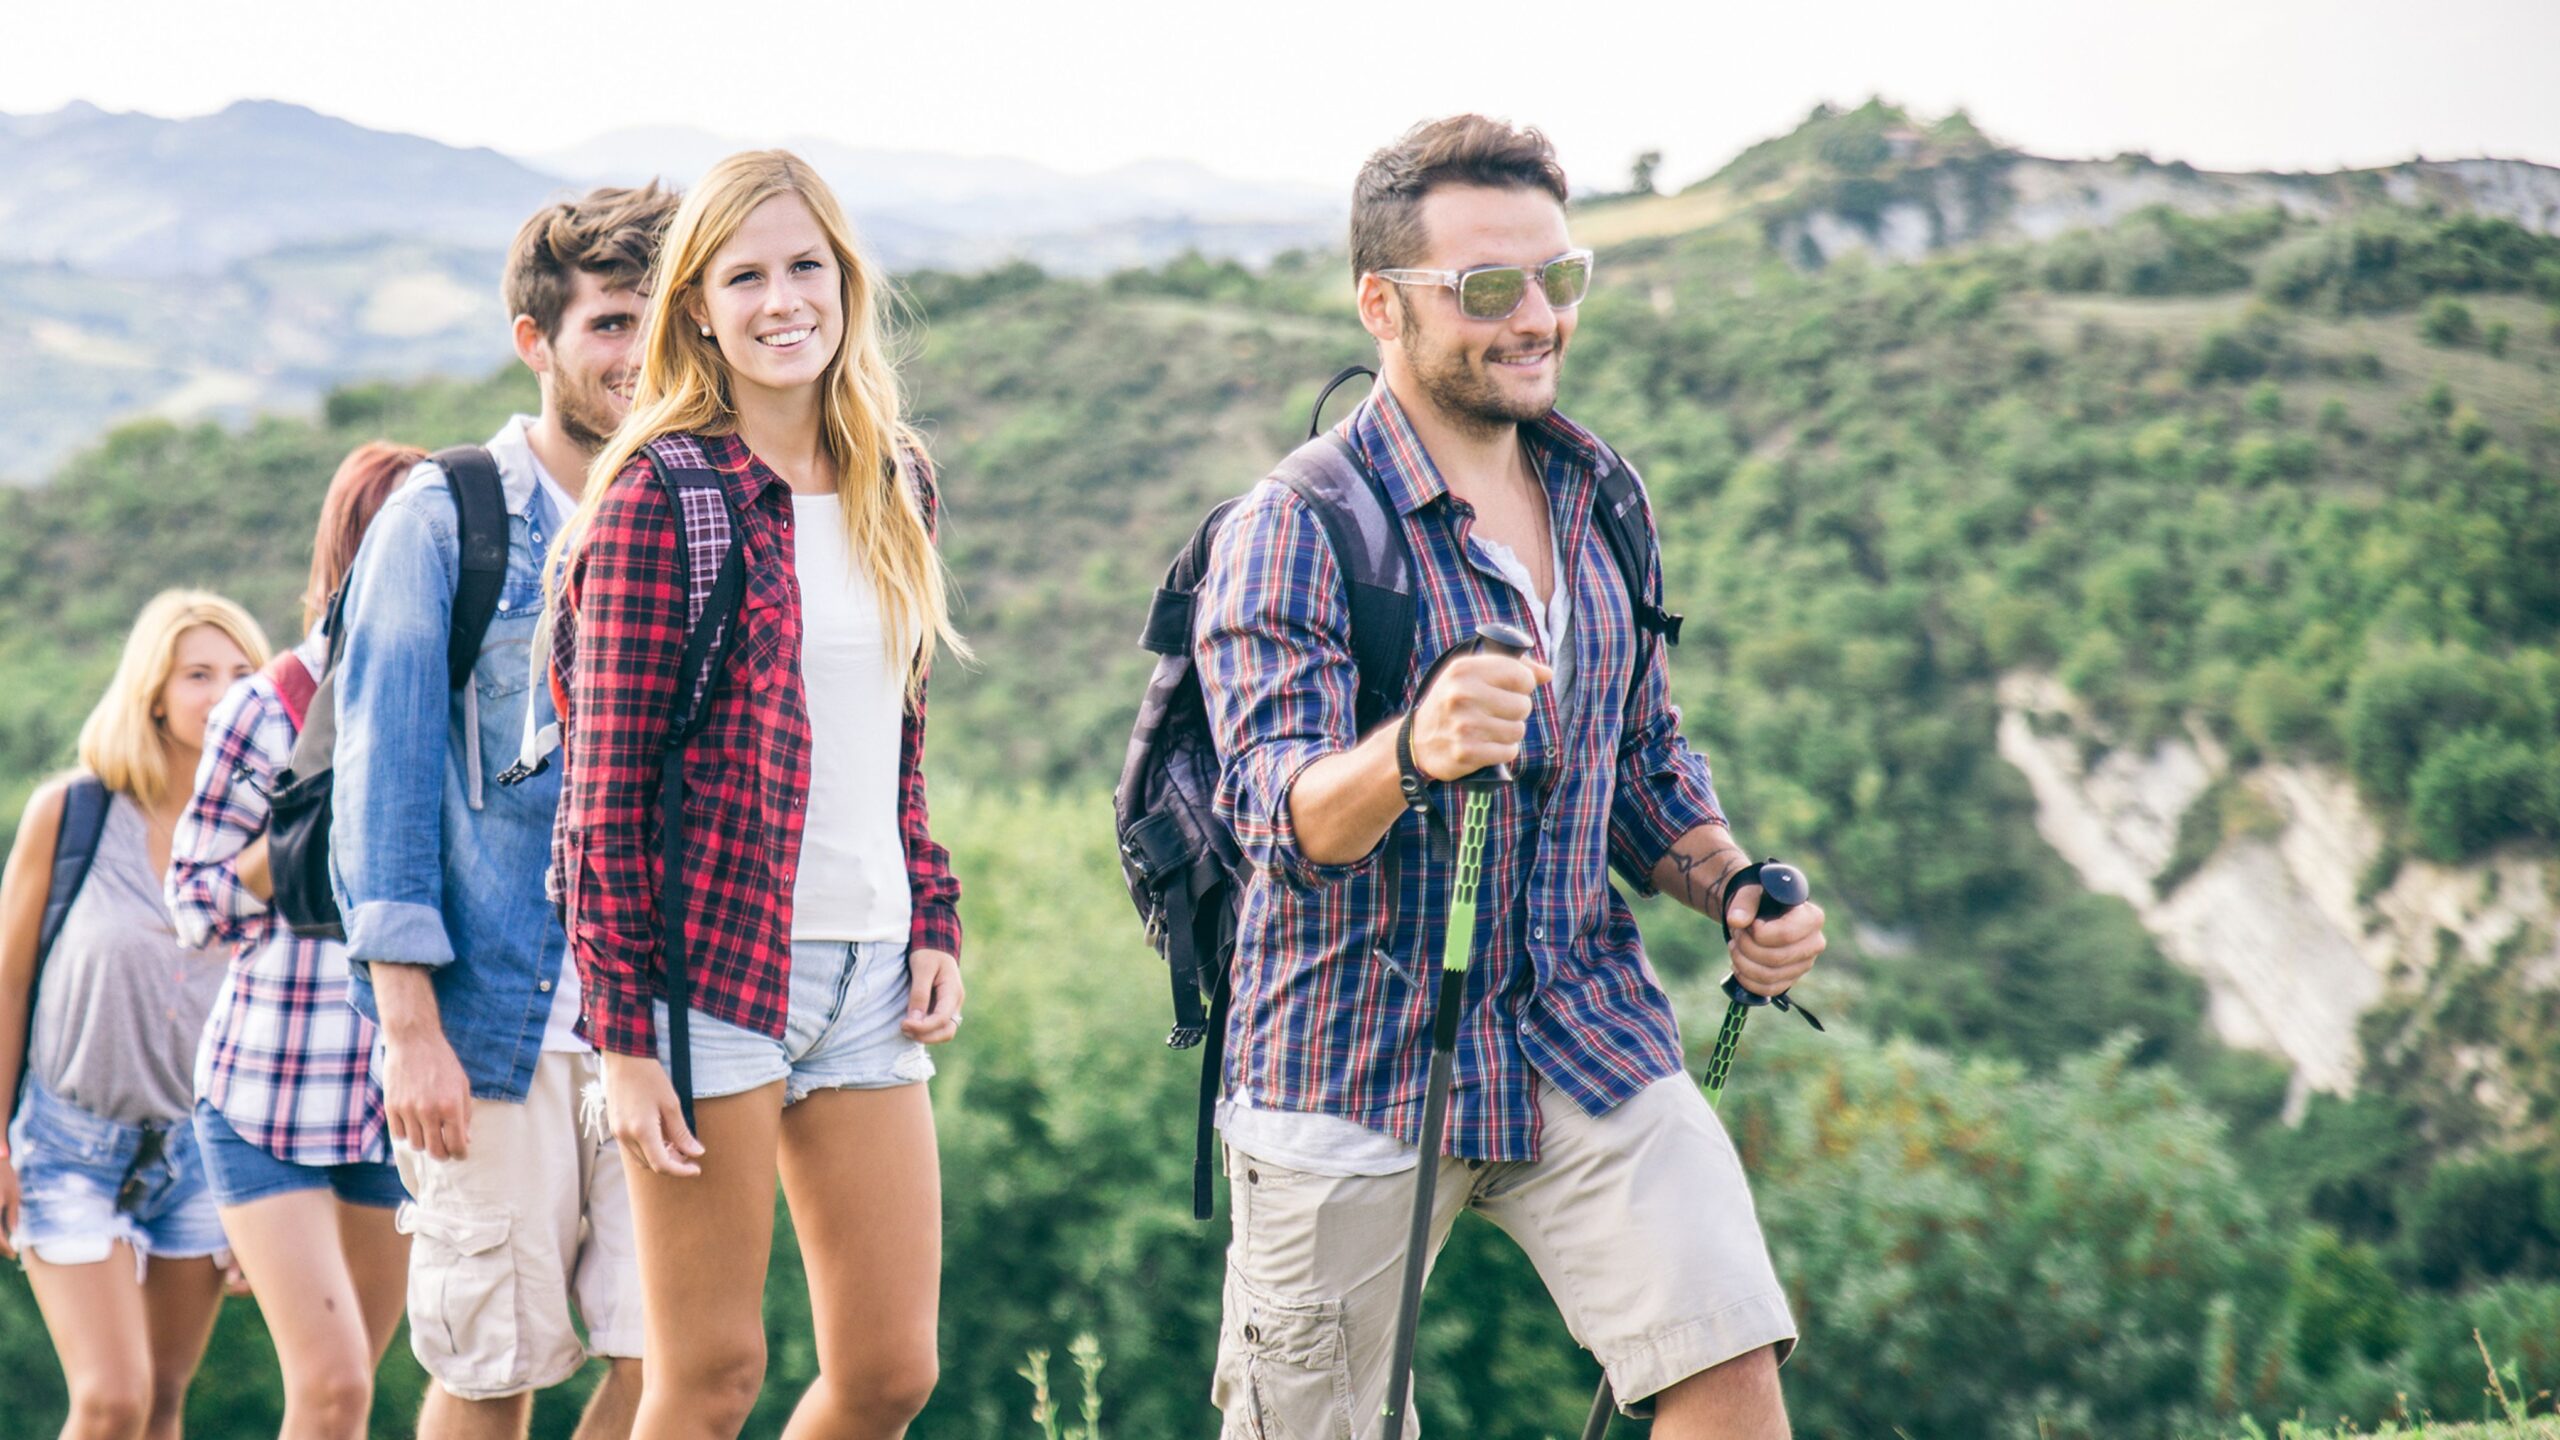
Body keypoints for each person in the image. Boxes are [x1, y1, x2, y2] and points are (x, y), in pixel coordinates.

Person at [1191, 115, 1828, 1439]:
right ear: (1383, 302)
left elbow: (1642, 752)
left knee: (1731, 1369)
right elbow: (1277, 817)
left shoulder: (1605, 493)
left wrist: (1733, 891)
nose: (1536, 315)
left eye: (1561, 276)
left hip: (1582, 1026)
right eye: (1490, 288)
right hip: (1349, 1065)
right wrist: (1410, 749)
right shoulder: (1296, 525)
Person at [549, 149, 966, 1440]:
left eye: (806, 267)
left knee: (893, 1372)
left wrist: (935, 913)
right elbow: (602, 799)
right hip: (706, 986)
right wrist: (624, 1037)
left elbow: (895, 737)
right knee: (711, 1376)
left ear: (845, 282)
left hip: (869, 971)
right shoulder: (659, 500)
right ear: (698, 309)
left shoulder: (897, 476)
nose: (783, 300)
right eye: (746, 276)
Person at [327, 183, 677, 1440]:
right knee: (493, 1366)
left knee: (672, 1363)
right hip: (494, 1022)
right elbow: (383, 779)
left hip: (669, 1013)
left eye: (660, 323)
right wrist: (408, 1023)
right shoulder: (447, 519)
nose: (640, 359)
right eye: (611, 325)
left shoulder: (698, 512)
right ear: (537, 341)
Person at [167, 441, 423, 1440]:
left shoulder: (466, 704)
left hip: (401, 1101)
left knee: (358, 1393)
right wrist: (304, 823)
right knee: (333, 1389)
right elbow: (194, 906)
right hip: (268, 1088)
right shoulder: (265, 709)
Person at [0, 590, 268, 1440]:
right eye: (199, 673)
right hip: (66, 1144)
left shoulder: (270, 832)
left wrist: (269, 1190)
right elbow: (7, 983)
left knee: (158, 1406)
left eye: (242, 673)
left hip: (202, 1155)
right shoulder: (73, 812)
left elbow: (285, 1007)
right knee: (110, 1401)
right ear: (154, 691)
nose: (223, 691)